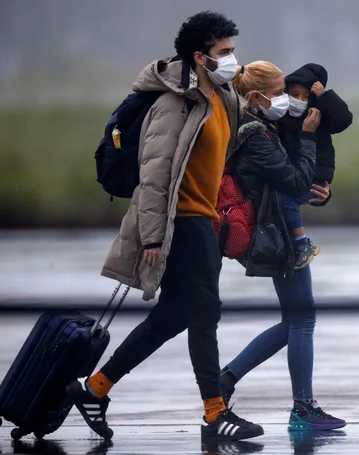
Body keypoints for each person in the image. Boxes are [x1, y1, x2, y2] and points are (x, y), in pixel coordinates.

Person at [65, 11, 263, 442]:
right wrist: (153, 236)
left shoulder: (221, 96)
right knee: (206, 312)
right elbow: (153, 175)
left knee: (175, 314)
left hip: (205, 217)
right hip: (184, 221)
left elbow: (232, 150)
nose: (232, 59)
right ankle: (215, 412)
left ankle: (96, 389)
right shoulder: (174, 104)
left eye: (233, 50)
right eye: (224, 52)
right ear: (199, 56)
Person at [218, 60, 346, 431]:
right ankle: (303, 409)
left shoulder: (261, 126)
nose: (286, 100)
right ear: (255, 96)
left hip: (273, 228)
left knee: (293, 320)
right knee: (303, 319)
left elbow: (287, 184)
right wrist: (307, 139)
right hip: (276, 235)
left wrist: (317, 191)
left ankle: (226, 380)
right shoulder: (255, 133)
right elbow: (290, 180)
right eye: (278, 93)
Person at [277, 63, 353, 270]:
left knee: (286, 200)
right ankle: (298, 245)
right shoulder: (279, 116)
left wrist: (325, 96)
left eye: (305, 95)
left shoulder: (319, 116)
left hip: (315, 176)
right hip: (293, 176)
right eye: (294, 94)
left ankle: (302, 243)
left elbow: (344, 119)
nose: (299, 100)